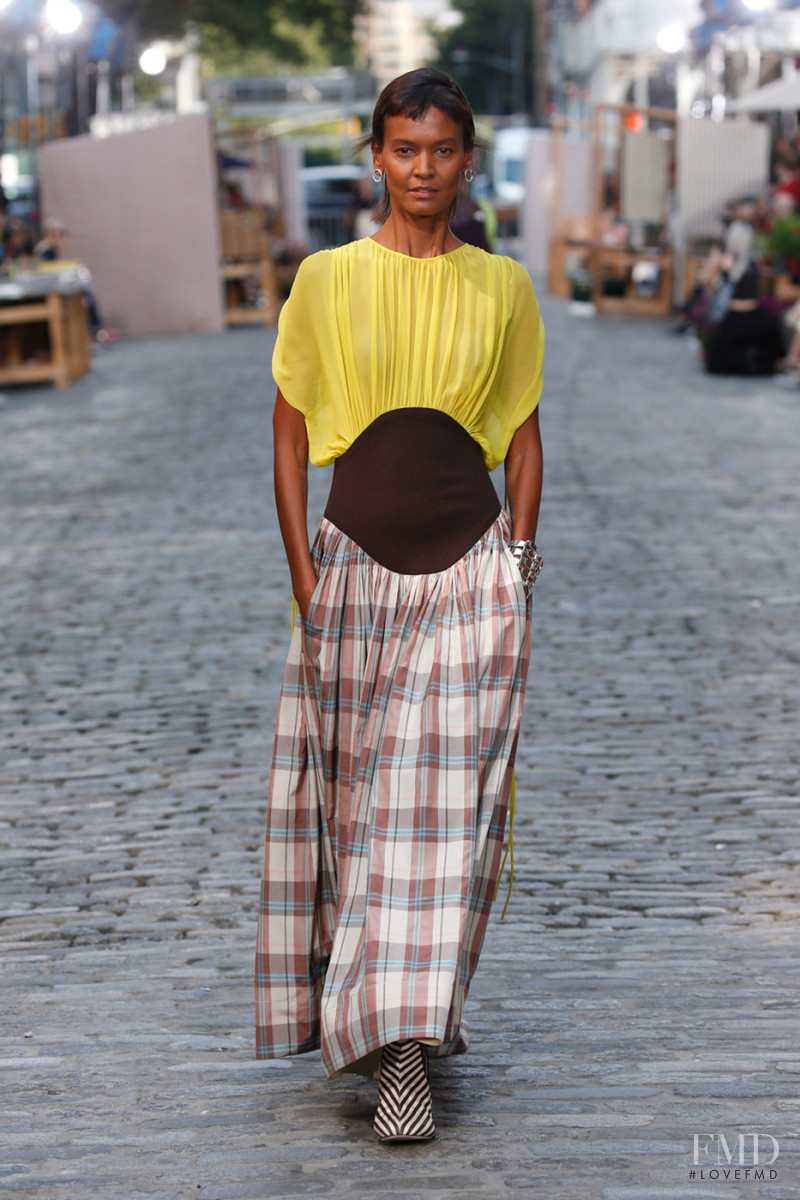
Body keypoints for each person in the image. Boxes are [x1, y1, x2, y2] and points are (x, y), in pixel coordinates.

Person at [255, 67, 544, 1143]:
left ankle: (408, 1052)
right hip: (352, 574)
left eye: (441, 150)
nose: (423, 168)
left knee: (435, 824)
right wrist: (303, 572)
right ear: (375, 155)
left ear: (464, 159)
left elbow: (519, 435)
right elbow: (287, 435)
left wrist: (517, 562)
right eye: (403, 149)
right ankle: (381, 1022)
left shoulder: (502, 287)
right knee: (363, 819)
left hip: (470, 574)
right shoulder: (323, 281)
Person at [705, 220, 784, 376]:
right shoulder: (745, 262)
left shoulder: (740, 260)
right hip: (750, 316)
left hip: (738, 316)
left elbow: (706, 282)